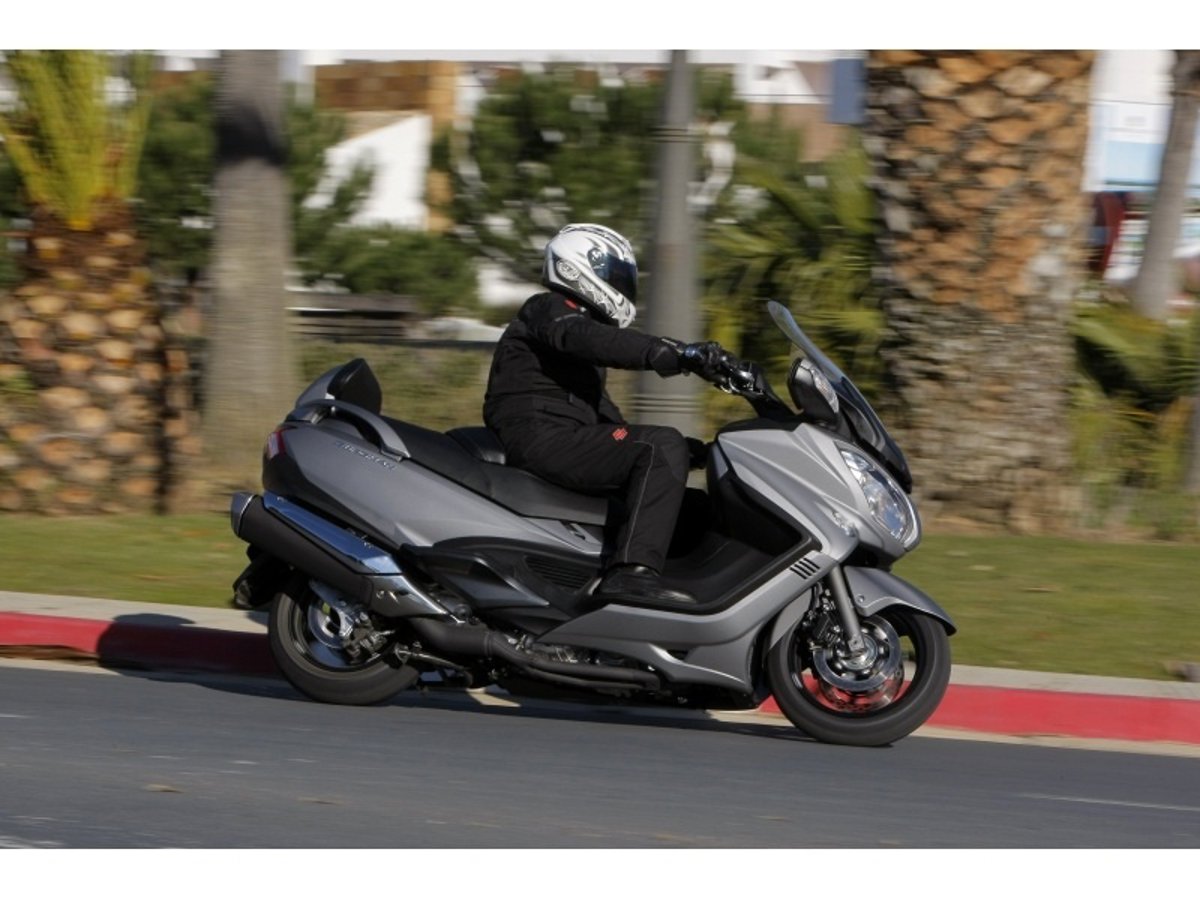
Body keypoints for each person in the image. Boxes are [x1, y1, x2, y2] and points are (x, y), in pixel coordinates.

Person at [483, 223, 723, 606]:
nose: (623, 286)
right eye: (616, 276)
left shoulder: (581, 348)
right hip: (538, 437)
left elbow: (610, 424)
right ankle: (630, 577)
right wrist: (678, 353)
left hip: (565, 439)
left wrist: (700, 452)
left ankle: (701, 600)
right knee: (660, 445)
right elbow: (584, 338)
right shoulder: (549, 309)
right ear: (579, 265)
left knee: (694, 506)